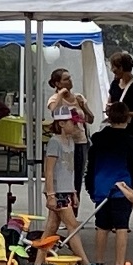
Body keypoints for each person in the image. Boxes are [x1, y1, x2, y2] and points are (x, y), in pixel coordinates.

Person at [30, 108, 107, 265]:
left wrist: (73, 192)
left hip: (65, 190)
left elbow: (71, 171)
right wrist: (50, 194)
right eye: (73, 122)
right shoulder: (54, 142)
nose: (76, 125)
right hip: (56, 191)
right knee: (73, 226)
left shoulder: (71, 142)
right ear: (62, 123)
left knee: (51, 228)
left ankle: (37, 264)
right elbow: (49, 171)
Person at [85, 102, 133, 265]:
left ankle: (99, 262)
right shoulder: (131, 142)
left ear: (108, 117)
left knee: (101, 226)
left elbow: (91, 165)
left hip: (101, 186)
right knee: (121, 227)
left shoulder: (98, 139)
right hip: (122, 188)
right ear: (127, 118)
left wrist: (90, 187)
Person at [46, 67, 93, 201]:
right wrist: (60, 94)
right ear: (58, 83)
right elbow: (53, 110)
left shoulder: (78, 97)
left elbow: (90, 119)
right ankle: (62, 201)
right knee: (65, 172)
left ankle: (75, 204)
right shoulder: (55, 98)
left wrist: (83, 106)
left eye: (70, 78)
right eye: (66, 79)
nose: (70, 82)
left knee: (78, 175)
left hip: (80, 140)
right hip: (65, 141)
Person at [108, 51, 133, 157]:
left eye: (114, 67)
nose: (112, 70)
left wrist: (126, 114)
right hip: (116, 131)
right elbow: (109, 102)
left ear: (121, 68)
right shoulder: (115, 84)